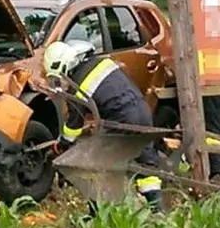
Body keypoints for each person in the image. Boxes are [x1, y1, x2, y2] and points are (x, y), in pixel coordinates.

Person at [44, 40, 163, 212]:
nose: (58, 84)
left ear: (63, 68)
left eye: (56, 79)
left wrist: (63, 144)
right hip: (142, 112)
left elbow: (74, 125)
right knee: (145, 162)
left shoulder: (78, 86)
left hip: (120, 120)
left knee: (102, 166)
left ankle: (97, 213)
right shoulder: (100, 63)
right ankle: (158, 211)